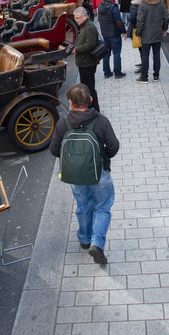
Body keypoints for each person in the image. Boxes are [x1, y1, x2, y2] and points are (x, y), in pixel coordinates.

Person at [48, 84, 119, 266]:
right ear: (91, 100)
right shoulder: (101, 121)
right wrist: (103, 158)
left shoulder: (64, 123)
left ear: (70, 104)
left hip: (75, 175)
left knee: (83, 204)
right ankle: (97, 243)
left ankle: (85, 238)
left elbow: (54, 149)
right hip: (99, 173)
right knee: (102, 206)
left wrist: (73, 161)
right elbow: (114, 146)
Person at [70, 7, 101, 113]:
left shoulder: (90, 27)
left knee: (89, 89)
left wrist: (77, 50)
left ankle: (95, 109)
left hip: (87, 63)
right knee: (86, 88)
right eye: (75, 18)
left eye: (78, 18)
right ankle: (91, 108)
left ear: (84, 16)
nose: (76, 20)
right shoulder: (84, 26)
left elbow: (90, 45)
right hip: (83, 62)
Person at [135, 0, 167, 82]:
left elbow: (140, 20)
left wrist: (138, 33)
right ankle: (156, 75)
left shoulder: (142, 3)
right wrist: (164, 29)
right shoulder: (160, 1)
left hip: (146, 33)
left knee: (145, 56)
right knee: (156, 54)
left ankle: (144, 76)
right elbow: (165, 17)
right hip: (157, 31)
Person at [97, 0, 126, 80]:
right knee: (116, 54)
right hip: (114, 34)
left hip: (105, 34)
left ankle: (107, 72)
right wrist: (124, 31)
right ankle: (117, 73)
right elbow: (119, 22)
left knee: (106, 54)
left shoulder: (100, 6)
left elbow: (99, 19)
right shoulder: (113, 8)